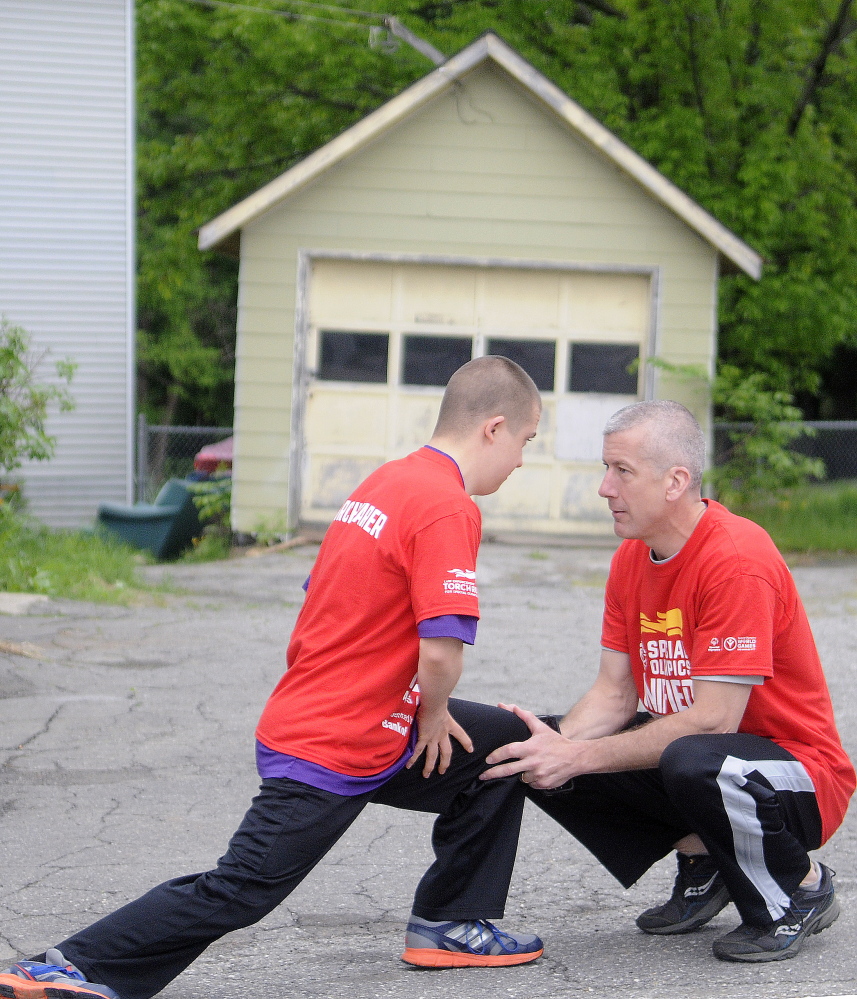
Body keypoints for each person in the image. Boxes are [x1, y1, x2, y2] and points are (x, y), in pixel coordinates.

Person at [0, 356, 544, 999]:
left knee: (504, 744)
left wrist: (418, 708)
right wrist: (429, 711)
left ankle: (451, 922)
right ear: (494, 428)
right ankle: (69, 965)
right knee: (240, 890)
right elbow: (440, 652)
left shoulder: (385, 483)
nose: (520, 462)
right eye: (525, 444)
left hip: (355, 716)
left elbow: (329, 597)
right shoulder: (447, 506)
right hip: (335, 738)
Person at [483, 399, 855, 963]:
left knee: (686, 755)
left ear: (676, 480)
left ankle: (798, 888)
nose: (605, 487)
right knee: (555, 750)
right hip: (707, 762)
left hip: (796, 773)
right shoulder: (631, 560)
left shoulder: (736, 558)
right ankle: (709, 860)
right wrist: (553, 749)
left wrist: (577, 756)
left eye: (622, 472)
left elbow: (715, 720)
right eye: (605, 469)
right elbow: (613, 693)